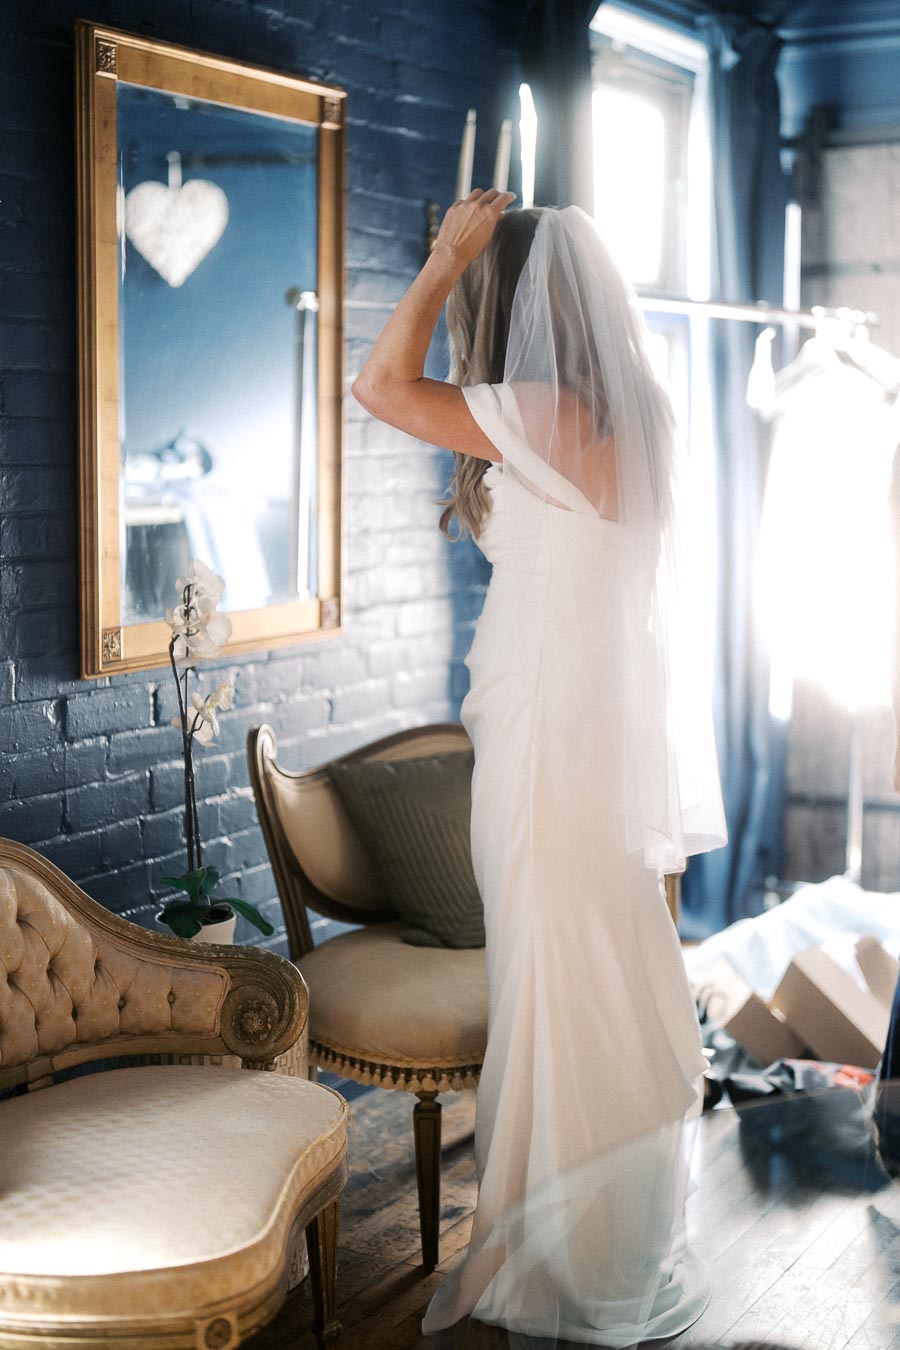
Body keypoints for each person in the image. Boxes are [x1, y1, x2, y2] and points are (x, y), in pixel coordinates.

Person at [353, 191, 727, 1346]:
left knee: (552, 976)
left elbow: (376, 387)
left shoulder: (539, 408)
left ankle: (563, 1259)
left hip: (542, 731)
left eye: (477, 292)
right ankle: (598, 1236)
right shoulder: (641, 411)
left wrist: (437, 264)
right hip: (589, 731)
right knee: (596, 964)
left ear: (505, 304)